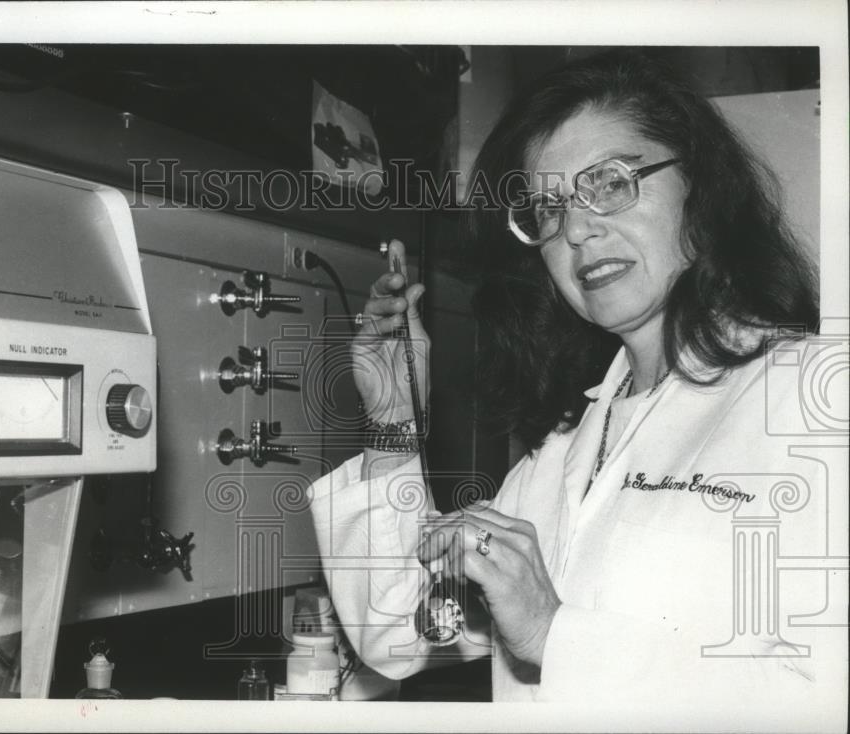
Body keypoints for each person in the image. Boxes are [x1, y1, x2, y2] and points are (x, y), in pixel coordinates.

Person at [308, 50, 844, 713]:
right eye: (549, 206)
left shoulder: (816, 397)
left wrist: (552, 633)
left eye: (611, 182)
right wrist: (392, 421)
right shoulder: (562, 448)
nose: (579, 229)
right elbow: (401, 637)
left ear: (702, 193)